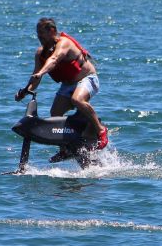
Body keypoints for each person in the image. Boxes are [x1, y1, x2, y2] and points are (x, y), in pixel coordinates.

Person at [15, 17, 108, 159]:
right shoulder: (40, 53)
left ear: (52, 31)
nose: (39, 37)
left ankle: (101, 130)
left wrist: (41, 72)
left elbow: (54, 60)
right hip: (68, 84)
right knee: (55, 113)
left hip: (87, 79)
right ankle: (65, 149)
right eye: (37, 33)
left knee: (77, 99)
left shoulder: (65, 43)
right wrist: (26, 90)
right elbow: (36, 77)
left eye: (42, 33)